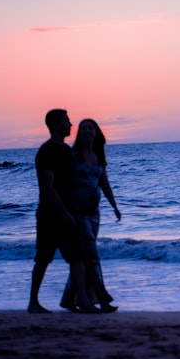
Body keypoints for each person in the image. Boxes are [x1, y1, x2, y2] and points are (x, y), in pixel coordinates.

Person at [28, 109, 97, 314]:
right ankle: (33, 302)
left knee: (77, 256)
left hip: (69, 213)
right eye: (67, 121)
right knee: (43, 258)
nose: (70, 124)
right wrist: (64, 213)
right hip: (50, 215)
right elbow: (47, 187)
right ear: (56, 124)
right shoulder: (47, 151)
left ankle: (83, 301)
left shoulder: (66, 151)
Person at [60, 118, 120, 313]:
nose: (87, 131)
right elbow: (63, 183)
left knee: (83, 257)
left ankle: (69, 299)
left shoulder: (98, 155)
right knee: (91, 256)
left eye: (90, 128)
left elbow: (104, 182)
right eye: (83, 128)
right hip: (77, 214)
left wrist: (114, 206)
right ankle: (102, 299)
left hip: (94, 215)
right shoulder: (73, 155)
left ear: (96, 132)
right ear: (80, 133)